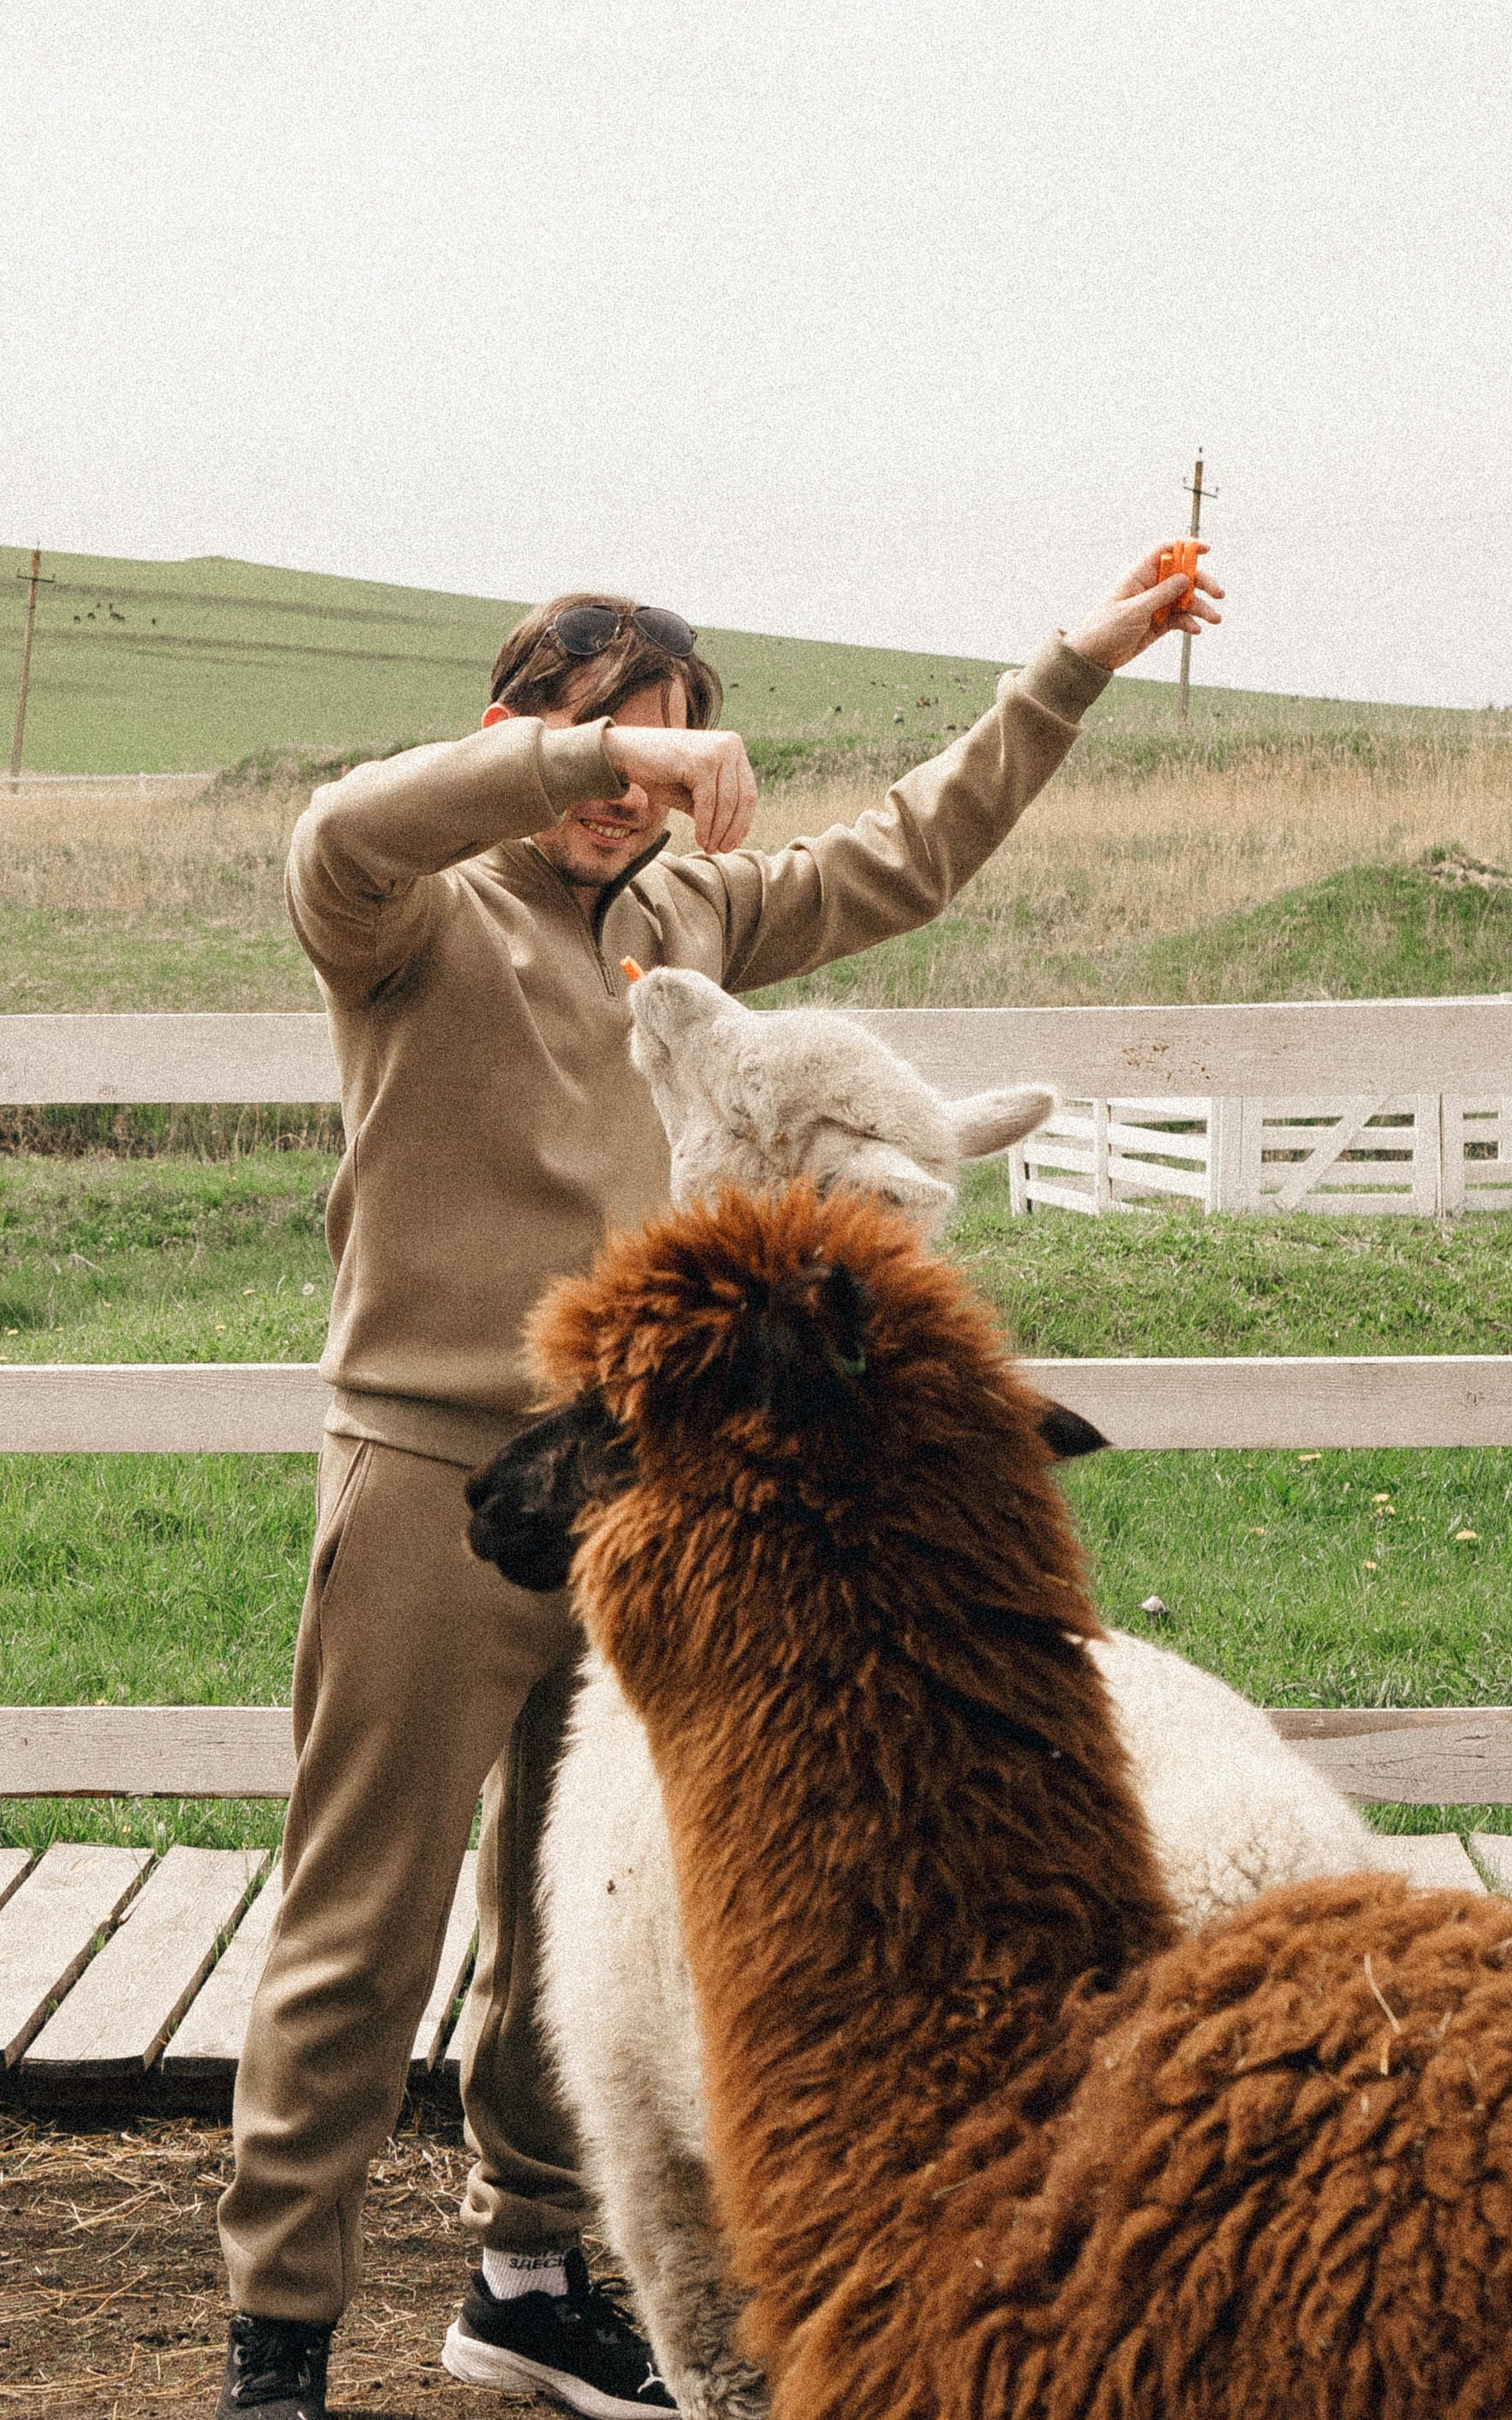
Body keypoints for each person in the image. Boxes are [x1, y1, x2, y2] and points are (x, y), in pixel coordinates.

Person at [214, 547, 1223, 2420]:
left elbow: (912, 851)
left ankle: (525, 2275)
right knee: (360, 1926)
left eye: (670, 761)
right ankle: (275, 2345)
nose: (635, 798)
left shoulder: (680, 919)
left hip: (627, 1497)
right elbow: (336, 825)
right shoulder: (402, 911)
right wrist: (582, 770)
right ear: (511, 732)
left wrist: (1073, 662)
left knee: (568, 1911)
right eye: (604, 757)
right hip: (432, 1485)